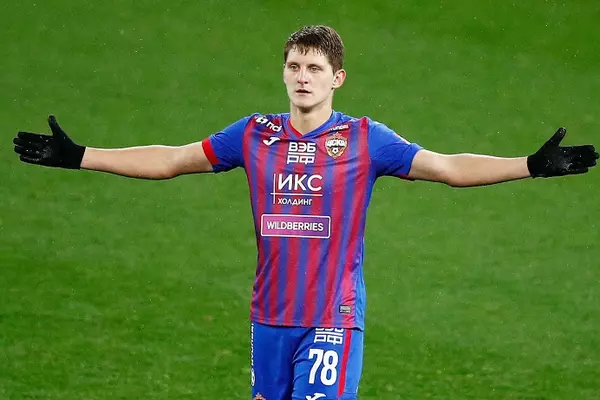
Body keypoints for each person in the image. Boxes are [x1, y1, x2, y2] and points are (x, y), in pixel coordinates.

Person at [12, 25, 598, 400]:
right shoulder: (253, 134)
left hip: (331, 318)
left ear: (337, 78)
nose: (302, 77)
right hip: (269, 317)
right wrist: (80, 156)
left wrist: (529, 164)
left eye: (314, 68)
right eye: (294, 66)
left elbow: (447, 167)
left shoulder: (366, 139)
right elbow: (170, 159)